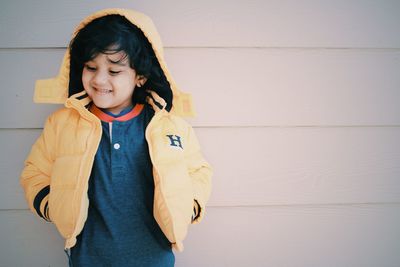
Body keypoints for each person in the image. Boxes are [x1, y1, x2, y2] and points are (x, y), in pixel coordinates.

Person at [20, 8, 212, 267]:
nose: (99, 79)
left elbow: (198, 171)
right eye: (91, 67)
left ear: (140, 76)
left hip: (153, 257)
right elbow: (35, 171)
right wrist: (53, 206)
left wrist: (188, 207)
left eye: (113, 71)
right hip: (88, 257)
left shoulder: (168, 127)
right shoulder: (63, 125)